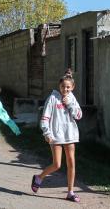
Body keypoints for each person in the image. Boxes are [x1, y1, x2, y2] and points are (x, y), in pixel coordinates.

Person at [31, 69, 82, 202]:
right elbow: (45, 117)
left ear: (72, 87)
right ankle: (39, 177)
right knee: (57, 164)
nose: (65, 89)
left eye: (68, 87)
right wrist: (46, 132)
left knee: (71, 163)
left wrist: (69, 103)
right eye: (63, 86)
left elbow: (79, 116)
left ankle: (70, 192)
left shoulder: (72, 98)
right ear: (59, 85)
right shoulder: (52, 98)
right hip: (55, 135)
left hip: (70, 135)